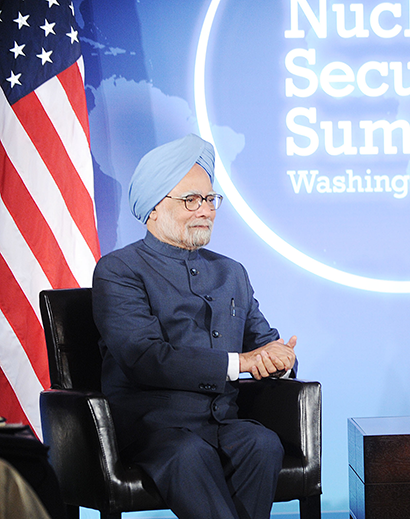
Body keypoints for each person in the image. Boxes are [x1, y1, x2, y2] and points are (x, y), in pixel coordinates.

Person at [92, 134, 298, 519]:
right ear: (154, 207)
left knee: (262, 442)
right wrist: (241, 363)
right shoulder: (119, 270)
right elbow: (144, 357)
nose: (205, 209)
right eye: (191, 200)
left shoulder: (231, 271)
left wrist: (280, 359)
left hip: (223, 422)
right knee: (189, 455)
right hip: (154, 429)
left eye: (209, 199)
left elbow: (263, 343)